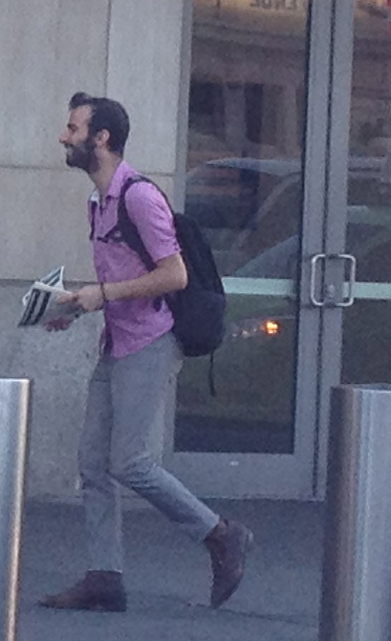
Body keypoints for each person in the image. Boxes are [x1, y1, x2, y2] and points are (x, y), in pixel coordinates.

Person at [36, 93, 251, 614]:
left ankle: (220, 534)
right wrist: (75, 308)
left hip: (151, 341)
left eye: (73, 129)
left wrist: (103, 294)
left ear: (101, 138)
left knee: (129, 461)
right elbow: (120, 276)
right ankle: (104, 577)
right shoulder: (98, 202)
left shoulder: (139, 197)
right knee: (93, 463)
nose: (64, 136)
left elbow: (173, 274)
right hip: (117, 340)